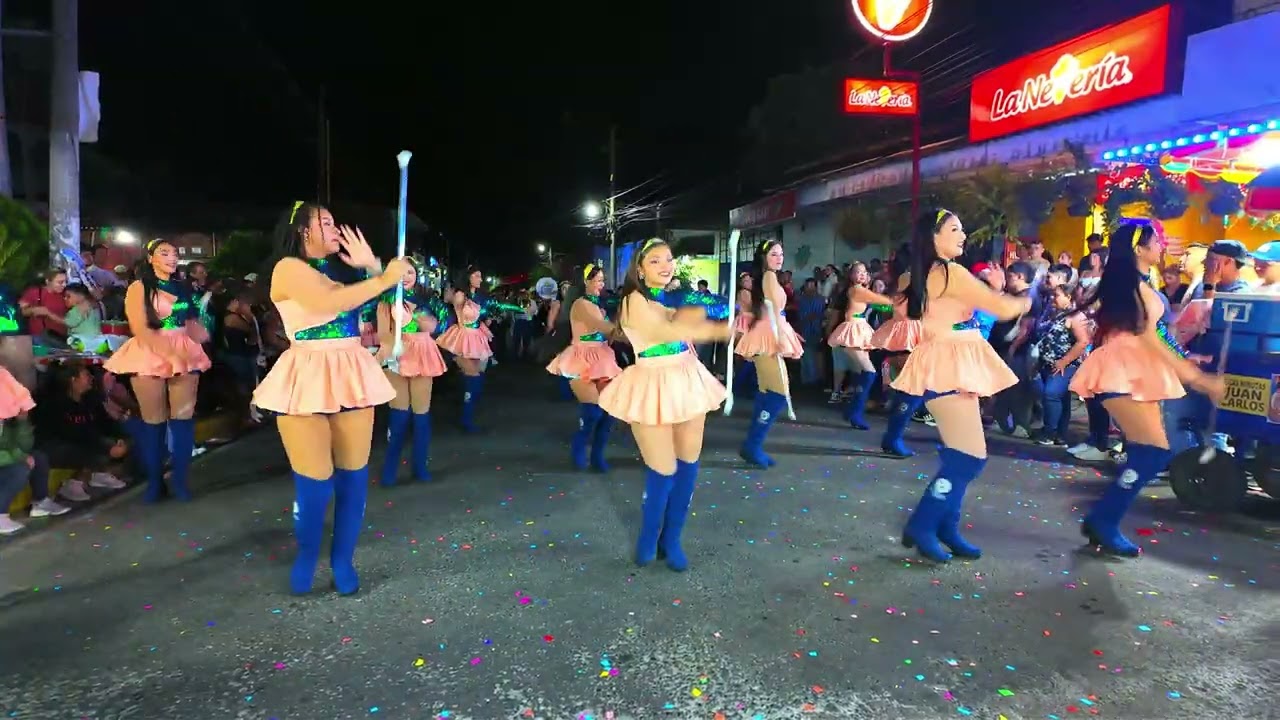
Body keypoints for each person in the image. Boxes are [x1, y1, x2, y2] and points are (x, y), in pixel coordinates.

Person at [252, 201, 411, 595]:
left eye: (334, 221)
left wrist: (375, 267)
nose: (335, 227)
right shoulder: (288, 268)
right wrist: (381, 276)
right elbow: (325, 304)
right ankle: (308, 554)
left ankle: (343, 559)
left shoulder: (344, 274)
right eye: (324, 222)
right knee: (316, 484)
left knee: (354, 479)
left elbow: (400, 308)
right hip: (306, 372)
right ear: (302, 230)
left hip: (351, 370)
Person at [1069, 222, 1224, 556]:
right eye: (1157, 240)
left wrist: (1186, 357)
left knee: (1150, 453)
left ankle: (1103, 520)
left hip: (1137, 371)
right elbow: (1150, 336)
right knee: (1152, 453)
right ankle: (1103, 520)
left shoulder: (1140, 284)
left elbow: (1159, 334)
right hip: (1122, 371)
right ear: (1139, 249)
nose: (1162, 244)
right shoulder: (1132, 287)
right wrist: (1198, 378)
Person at [892, 209, 1030, 563]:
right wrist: (1028, 297)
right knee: (969, 459)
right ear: (934, 237)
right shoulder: (950, 272)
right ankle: (924, 523)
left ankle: (945, 526)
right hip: (949, 363)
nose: (963, 234)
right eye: (955, 228)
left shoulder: (916, 275)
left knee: (962, 455)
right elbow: (1000, 308)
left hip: (942, 360)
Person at [597, 238, 731, 572]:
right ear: (639, 268)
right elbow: (663, 332)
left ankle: (671, 540)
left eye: (669, 259)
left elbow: (697, 323)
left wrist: (719, 314)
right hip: (651, 382)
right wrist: (709, 320)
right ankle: (647, 538)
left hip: (688, 378)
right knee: (662, 468)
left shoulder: (669, 298)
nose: (665, 265)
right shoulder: (633, 301)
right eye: (655, 260)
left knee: (688, 463)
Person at [102, 239, 211, 503]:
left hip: (183, 351)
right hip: (150, 352)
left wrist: (201, 338)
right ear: (150, 258)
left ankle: (180, 482)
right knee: (154, 422)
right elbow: (139, 326)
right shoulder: (139, 287)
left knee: (183, 420)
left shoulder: (182, 287)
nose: (172, 258)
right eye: (164, 253)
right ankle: (154, 483)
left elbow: (192, 321)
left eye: (175, 253)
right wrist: (166, 352)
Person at [377, 260, 448, 486]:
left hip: (423, 353)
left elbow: (434, 326)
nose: (407, 276)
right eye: (401, 272)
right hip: (397, 356)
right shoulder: (385, 299)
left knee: (421, 415)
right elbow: (383, 332)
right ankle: (389, 469)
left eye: (411, 271)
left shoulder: (426, 299)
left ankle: (420, 467)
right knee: (399, 416)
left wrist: (416, 315)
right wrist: (391, 349)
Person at [734, 240, 804, 468]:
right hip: (767, 338)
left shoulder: (768, 277)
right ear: (764, 257)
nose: (779, 258)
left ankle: (752, 445)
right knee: (777, 393)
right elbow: (774, 310)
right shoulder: (768, 277)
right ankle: (752, 445)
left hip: (769, 334)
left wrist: (789, 333)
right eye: (774, 254)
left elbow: (775, 311)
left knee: (768, 391)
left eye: (781, 254)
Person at [546, 264, 622, 471]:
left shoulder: (599, 304)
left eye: (603, 280)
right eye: (598, 280)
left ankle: (597, 457)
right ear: (586, 282)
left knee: (608, 413)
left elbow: (608, 332)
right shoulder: (581, 304)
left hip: (602, 357)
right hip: (581, 359)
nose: (602, 283)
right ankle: (578, 452)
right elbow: (603, 327)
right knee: (592, 413)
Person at [435, 267, 520, 432]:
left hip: (477, 335)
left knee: (479, 374)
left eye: (481, 276)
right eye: (477, 276)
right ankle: (466, 418)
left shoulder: (481, 297)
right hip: (463, 336)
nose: (480, 279)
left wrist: (489, 317)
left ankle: (467, 407)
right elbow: (449, 308)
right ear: (469, 278)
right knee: (472, 375)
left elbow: (487, 312)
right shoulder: (460, 295)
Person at [871, 247, 925, 457]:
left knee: (911, 391)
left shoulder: (908, 278)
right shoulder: (908, 277)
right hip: (909, 334)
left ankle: (892, 438)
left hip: (912, 332)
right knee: (913, 391)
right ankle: (892, 438)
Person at [827, 262, 892, 429]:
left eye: (864, 272)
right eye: (858, 272)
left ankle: (852, 411)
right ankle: (855, 413)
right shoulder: (857, 290)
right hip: (854, 330)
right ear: (851, 275)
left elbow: (880, 303)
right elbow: (881, 299)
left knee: (863, 373)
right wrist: (897, 301)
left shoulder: (860, 290)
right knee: (869, 373)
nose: (862, 274)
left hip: (859, 328)